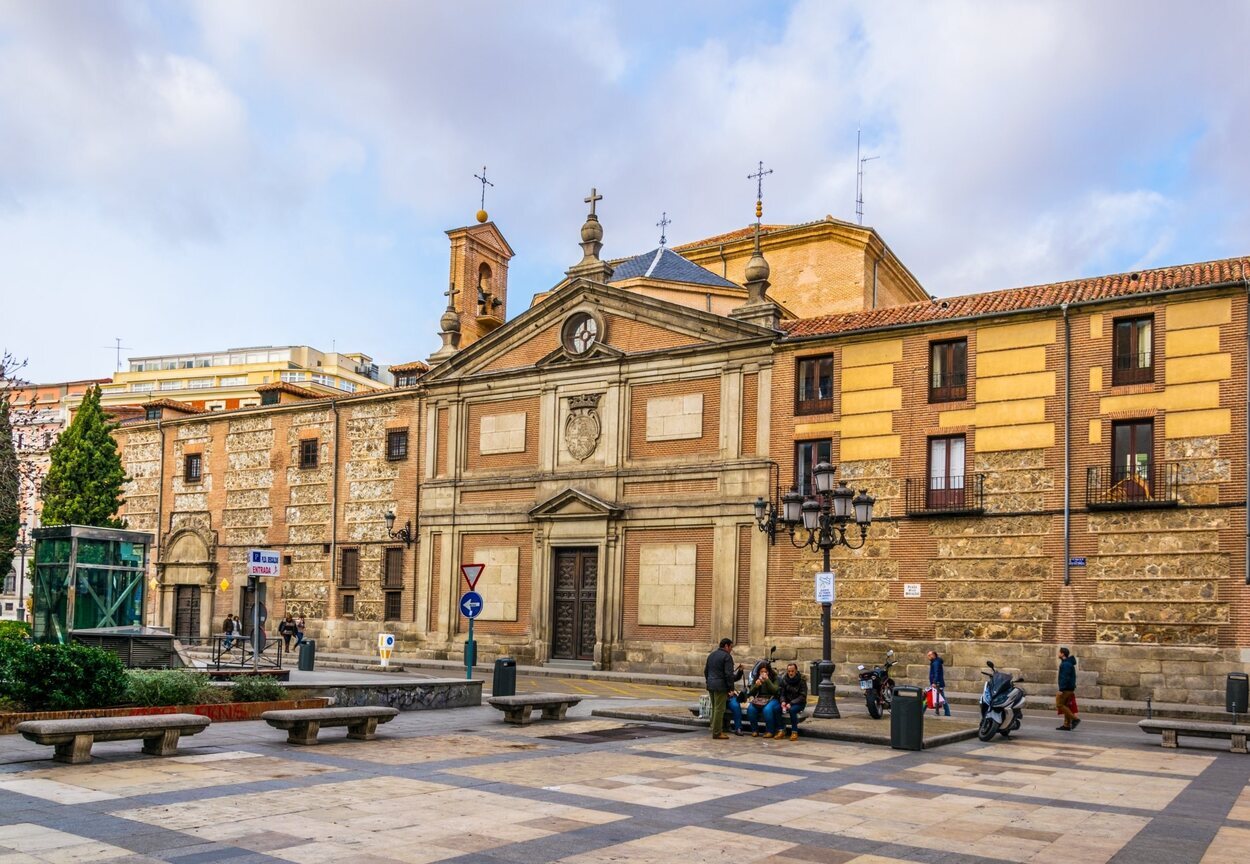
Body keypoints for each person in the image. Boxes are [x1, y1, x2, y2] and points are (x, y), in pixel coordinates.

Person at [704, 638, 741, 740]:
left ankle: (714, 728)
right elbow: (728, 674)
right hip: (720, 686)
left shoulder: (711, 655)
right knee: (719, 709)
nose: (731, 649)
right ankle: (717, 732)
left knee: (715, 708)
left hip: (711, 685)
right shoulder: (727, 656)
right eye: (730, 647)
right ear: (726, 646)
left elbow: (706, 671)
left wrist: (708, 681)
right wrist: (731, 688)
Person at [746, 665, 782, 738]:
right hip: (760, 699)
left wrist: (767, 680)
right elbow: (751, 693)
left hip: (773, 698)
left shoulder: (775, 678)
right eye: (761, 672)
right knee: (751, 709)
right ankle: (754, 730)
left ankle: (770, 731)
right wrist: (756, 685)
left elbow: (775, 690)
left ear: (769, 672)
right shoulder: (756, 678)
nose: (763, 673)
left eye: (765, 672)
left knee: (767, 709)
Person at [778, 663, 807, 740]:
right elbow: (782, 694)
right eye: (789, 671)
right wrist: (783, 701)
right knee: (777, 709)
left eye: (792, 671)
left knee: (792, 710)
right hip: (787, 702)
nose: (790, 673)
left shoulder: (801, 680)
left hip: (799, 703)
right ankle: (781, 730)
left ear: (796, 671)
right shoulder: (784, 680)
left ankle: (794, 732)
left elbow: (803, 696)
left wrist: (791, 703)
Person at [1056, 647, 1080, 731]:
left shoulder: (1066, 664)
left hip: (1066, 689)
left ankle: (1075, 719)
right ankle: (1066, 725)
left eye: (1059, 652)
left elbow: (1065, 677)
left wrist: (1061, 689)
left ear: (1062, 654)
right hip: (1069, 688)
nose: (1058, 654)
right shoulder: (1067, 663)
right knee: (1066, 706)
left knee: (1060, 704)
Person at [926, 650, 951, 716]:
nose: (928, 657)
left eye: (929, 655)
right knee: (930, 697)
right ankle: (947, 713)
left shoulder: (936, 663)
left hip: (937, 684)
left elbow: (936, 673)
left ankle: (947, 713)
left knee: (942, 699)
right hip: (936, 683)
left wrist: (934, 682)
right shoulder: (934, 662)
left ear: (933, 655)